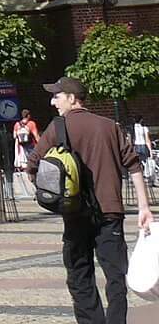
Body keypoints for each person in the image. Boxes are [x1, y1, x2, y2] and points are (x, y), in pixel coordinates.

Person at [30, 75, 153, 324]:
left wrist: (53, 196)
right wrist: (144, 207)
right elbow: (134, 166)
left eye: (57, 96)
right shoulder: (109, 126)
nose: (53, 102)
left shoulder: (58, 128)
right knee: (116, 274)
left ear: (72, 98)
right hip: (110, 211)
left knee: (79, 272)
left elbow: (33, 166)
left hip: (75, 212)